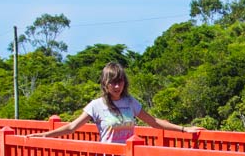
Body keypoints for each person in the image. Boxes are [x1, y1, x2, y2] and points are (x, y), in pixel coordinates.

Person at [36, 61, 200, 142]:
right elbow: (72, 127)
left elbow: (154, 122)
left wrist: (185, 130)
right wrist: (44, 135)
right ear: (105, 84)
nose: (116, 86)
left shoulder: (130, 102)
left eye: (120, 81)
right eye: (112, 82)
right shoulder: (96, 105)